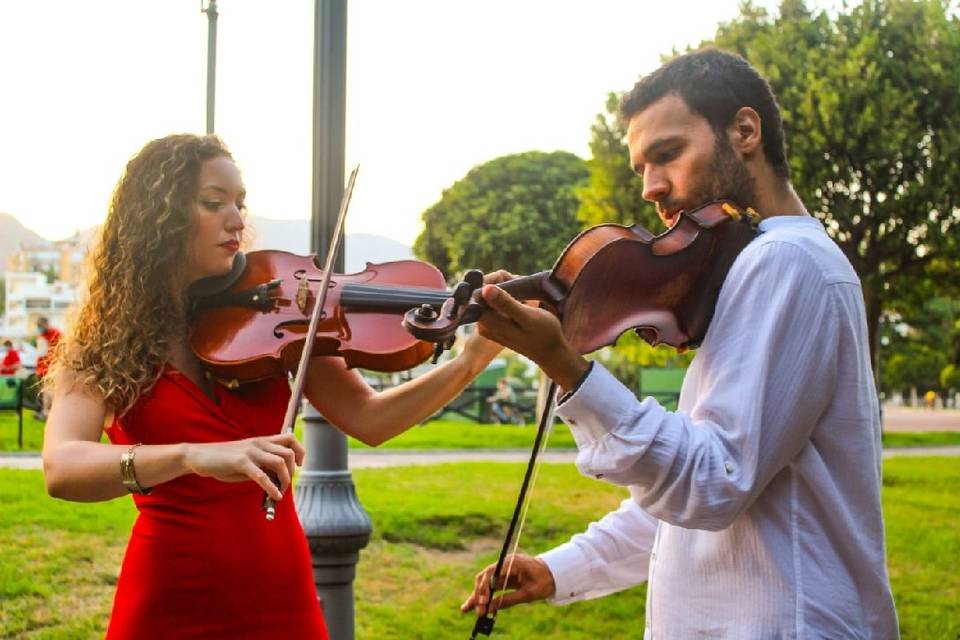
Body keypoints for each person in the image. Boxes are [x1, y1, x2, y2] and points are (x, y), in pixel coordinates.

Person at [461, 48, 899, 638]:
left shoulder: (786, 262)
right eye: (642, 166)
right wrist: (561, 570)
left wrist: (567, 366)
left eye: (667, 155)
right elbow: (688, 508)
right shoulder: (754, 265)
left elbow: (713, 482)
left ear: (745, 130)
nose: (649, 187)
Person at [41, 133, 503, 639]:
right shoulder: (106, 341)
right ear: (159, 218)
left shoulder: (282, 314)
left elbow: (371, 420)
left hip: (280, 594)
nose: (237, 220)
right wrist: (192, 456)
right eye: (213, 204)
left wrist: (473, 356)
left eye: (240, 204)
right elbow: (63, 467)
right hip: (169, 593)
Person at [34, 317, 61, 419]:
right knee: (43, 393)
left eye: (40, 325)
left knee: (49, 393)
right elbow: (41, 353)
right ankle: (43, 412)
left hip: (51, 368)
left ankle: (48, 413)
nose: (39, 327)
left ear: (46, 324)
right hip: (41, 368)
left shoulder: (56, 334)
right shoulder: (41, 336)